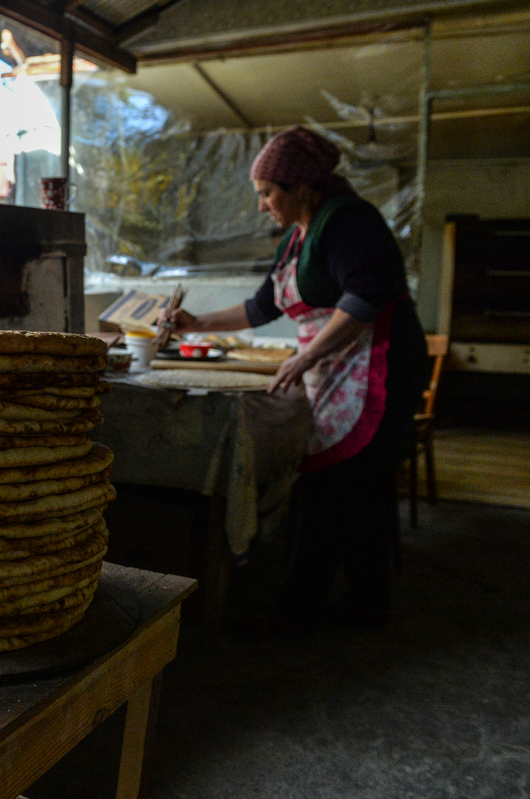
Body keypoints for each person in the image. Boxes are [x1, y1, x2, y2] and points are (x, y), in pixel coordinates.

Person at [159, 126, 429, 631]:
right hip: (335, 365)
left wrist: (304, 360)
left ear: (301, 187)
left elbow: (365, 299)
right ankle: (335, 600)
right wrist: (195, 323)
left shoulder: (348, 222)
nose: (262, 205)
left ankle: (338, 606)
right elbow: (261, 307)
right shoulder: (295, 239)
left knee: (349, 483)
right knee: (334, 482)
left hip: (377, 364)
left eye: (267, 193)